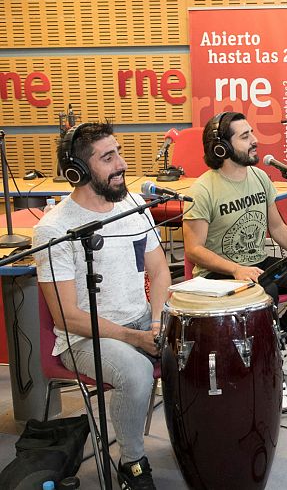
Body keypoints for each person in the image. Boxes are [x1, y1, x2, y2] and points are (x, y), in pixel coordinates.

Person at [34, 122, 170, 489]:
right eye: (108, 158)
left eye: (119, 152)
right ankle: (132, 463)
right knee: (137, 373)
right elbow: (68, 316)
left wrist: (156, 323)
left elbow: (160, 273)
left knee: (203, 348)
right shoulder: (55, 228)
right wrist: (134, 338)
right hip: (83, 339)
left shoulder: (134, 204)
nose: (121, 164)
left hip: (142, 321)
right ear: (77, 171)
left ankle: (194, 441)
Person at [182, 111, 287, 407]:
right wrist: (236, 269)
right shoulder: (202, 190)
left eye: (252, 133)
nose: (255, 141)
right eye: (245, 136)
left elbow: (275, 226)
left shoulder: (260, 177)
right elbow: (194, 250)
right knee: (268, 292)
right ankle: (269, 372)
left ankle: (277, 344)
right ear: (221, 148)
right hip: (218, 273)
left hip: (256, 265)